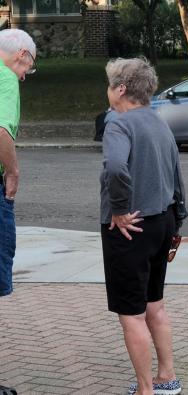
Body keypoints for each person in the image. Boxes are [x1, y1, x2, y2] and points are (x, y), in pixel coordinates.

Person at [100, 57, 185, 395]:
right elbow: (177, 174)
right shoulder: (159, 122)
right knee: (155, 305)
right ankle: (168, 377)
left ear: (120, 89)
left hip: (130, 228)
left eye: (109, 85)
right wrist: (178, 221)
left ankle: (145, 389)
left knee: (131, 314)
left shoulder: (118, 124)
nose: (107, 91)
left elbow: (116, 167)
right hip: (163, 222)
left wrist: (119, 210)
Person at [0, 27, 36, 395]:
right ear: (21, 54)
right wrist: (13, 171)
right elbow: (0, 130)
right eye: (30, 66)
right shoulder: (6, 78)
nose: (26, 74)